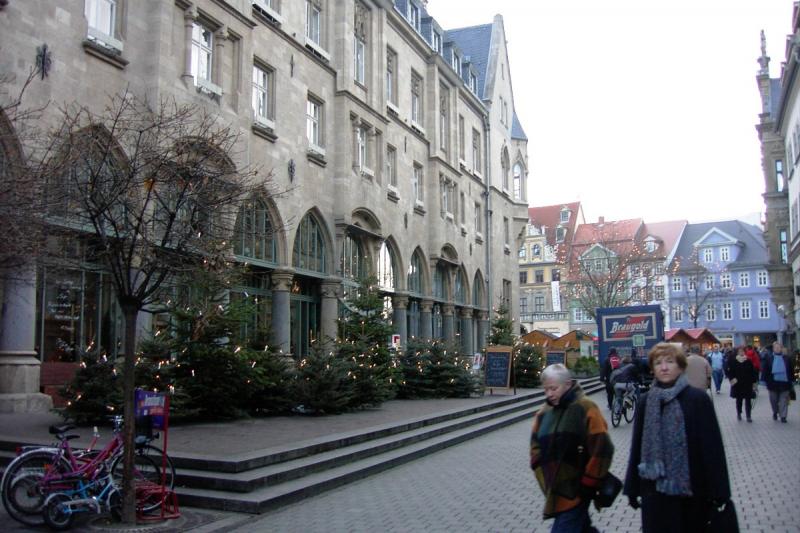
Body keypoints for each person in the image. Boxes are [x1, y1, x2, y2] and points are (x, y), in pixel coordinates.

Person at [624, 342, 731, 533]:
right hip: (655, 492)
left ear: (681, 366)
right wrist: (632, 488)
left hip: (692, 491)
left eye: (670, 361)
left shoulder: (698, 399)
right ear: (652, 368)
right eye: (658, 363)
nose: (664, 367)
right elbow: (637, 447)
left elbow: (713, 448)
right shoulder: (645, 402)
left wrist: (720, 490)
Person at [530, 363, 614, 533]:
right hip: (555, 488)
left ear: (567, 384)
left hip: (578, 489)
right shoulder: (544, 413)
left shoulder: (586, 407)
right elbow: (535, 445)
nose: (549, 394)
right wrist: (539, 466)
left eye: (553, 388)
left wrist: (588, 483)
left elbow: (603, 447)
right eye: (546, 389)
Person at [762, 342, 796, 423]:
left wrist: (793, 380)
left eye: (779, 347)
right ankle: (775, 412)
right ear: (773, 349)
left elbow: (791, 369)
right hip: (772, 383)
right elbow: (765, 370)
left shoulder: (787, 358)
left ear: (781, 348)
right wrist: (764, 381)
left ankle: (783, 416)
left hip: (785, 383)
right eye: (775, 347)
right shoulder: (769, 358)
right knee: (773, 400)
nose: (777, 349)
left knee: (783, 400)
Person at [725, 346, 758, 422]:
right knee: (739, 400)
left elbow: (753, 372)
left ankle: (748, 416)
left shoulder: (748, 361)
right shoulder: (734, 361)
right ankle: (739, 413)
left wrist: (754, 383)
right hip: (738, 384)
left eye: (742, 351)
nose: (741, 353)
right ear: (737, 352)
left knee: (748, 400)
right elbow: (730, 372)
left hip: (747, 384)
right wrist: (732, 380)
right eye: (740, 351)